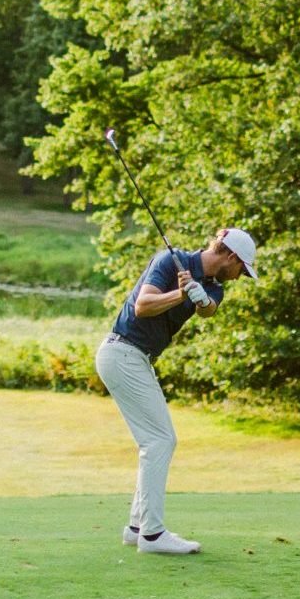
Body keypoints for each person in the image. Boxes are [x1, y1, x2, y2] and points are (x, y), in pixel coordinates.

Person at [94, 226, 260, 555]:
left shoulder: (216, 287)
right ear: (230, 256)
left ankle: (137, 527)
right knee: (160, 440)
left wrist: (199, 298)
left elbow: (209, 308)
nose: (242, 276)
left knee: (155, 441)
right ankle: (152, 535)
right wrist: (181, 294)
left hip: (137, 358)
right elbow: (143, 305)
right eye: (243, 268)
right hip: (122, 351)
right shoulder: (170, 262)